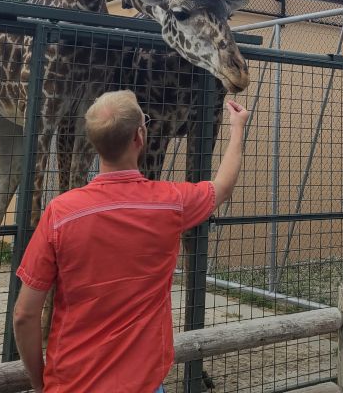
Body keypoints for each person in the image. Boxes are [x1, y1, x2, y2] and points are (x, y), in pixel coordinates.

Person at [13, 90, 250, 393]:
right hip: (144, 384)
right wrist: (238, 126)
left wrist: (39, 381)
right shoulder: (169, 203)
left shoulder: (60, 213)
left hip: (71, 383)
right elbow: (223, 186)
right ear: (139, 136)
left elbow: (24, 315)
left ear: (95, 142)